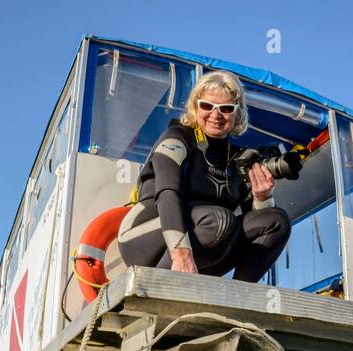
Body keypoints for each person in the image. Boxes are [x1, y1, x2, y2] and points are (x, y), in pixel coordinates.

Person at [117, 70, 291, 283]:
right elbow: (167, 192)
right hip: (146, 238)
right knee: (220, 221)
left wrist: (262, 199)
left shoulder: (238, 159)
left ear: (237, 114)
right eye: (207, 106)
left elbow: (257, 229)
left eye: (226, 109)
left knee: (277, 220)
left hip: (209, 239)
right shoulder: (177, 137)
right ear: (195, 107)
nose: (216, 115)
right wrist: (180, 253)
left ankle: (238, 298)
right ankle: (159, 284)